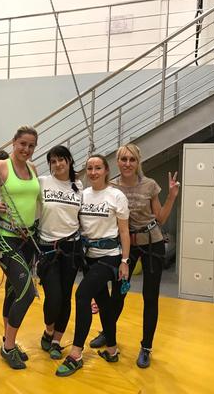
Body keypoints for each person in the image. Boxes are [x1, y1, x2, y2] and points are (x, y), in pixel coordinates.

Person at [89, 144, 179, 368]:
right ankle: (108, 333)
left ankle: (146, 347)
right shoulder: (111, 186)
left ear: (138, 162)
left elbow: (160, 218)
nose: (127, 164)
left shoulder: (150, 185)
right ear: (117, 162)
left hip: (152, 244)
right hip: (126, 247)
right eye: (123, 159)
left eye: (132, 160)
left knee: (150, 297)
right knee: (118, 294)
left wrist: (171, 196)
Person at [56, 154, 130, 377]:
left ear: (106, 170)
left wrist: (125, 261)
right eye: (89, 168)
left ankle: (76, 354)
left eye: (98, 168)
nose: (93, 172)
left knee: (82, 295)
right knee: (104, 304)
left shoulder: (116, 196)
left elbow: (124, 231)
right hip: (88, 257)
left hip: (110, 257)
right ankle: (112, 350)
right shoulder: (83, 195)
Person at [0, 126, 40, 370]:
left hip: (28, 239)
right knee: (27, 292)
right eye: (22, 144)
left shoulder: (33, 169)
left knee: (12, 291)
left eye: (31, 145)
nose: (26, 149)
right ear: (13, 142)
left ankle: (7, 340)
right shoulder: (1, 166)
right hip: (6, 238)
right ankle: (8, 348)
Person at [37, 145, 83, 360]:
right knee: (53, 296)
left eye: (61, 160)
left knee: (65, 296)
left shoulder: (79, 187)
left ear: (69, 160)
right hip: (48, 247)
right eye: (53, 161)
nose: (57, 164)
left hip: (72, 247)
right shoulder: (42, 182)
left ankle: (56, 340)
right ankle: (49, 330)